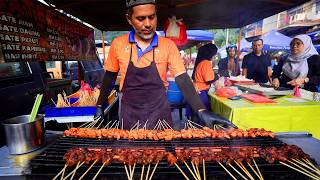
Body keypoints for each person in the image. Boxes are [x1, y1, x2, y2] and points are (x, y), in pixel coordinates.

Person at [94, 0, 235, 129]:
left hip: (159, 112)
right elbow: (110, 77)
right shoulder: (118, 44)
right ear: (129, 19)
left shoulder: (168, 45)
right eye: (141, 18)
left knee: (162, 153)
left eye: (152, 17)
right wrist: (100, 105)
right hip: (130, 112)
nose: (148, 24)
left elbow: (182, 78)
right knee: (133, 153)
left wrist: (201, 109)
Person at [185, 43, 217, 119]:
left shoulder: (200, 62)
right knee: (202, 118)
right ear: (211, 54)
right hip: (200, 93)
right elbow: (208, 80)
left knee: (196, 117)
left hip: (195, 92)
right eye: (214, 55)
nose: (214, 57)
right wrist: (217, 76)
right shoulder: (206, 63)